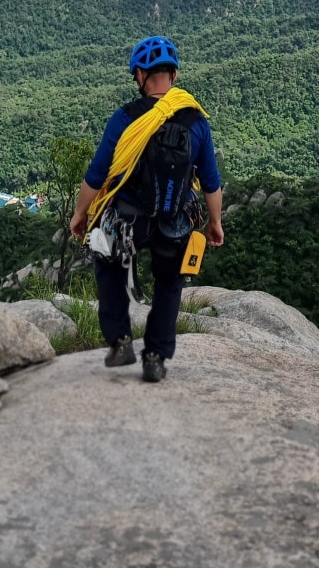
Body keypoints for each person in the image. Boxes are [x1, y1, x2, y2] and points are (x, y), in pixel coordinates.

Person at [70, 35, 224, 381]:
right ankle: (155, 356)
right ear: (174, 75)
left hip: (128, 220)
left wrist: (81, 214)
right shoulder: (195, 121)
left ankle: (120, 339)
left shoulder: (125, 117)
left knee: (106, 261)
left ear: (141, 74)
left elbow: (96, 175)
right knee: (169, 283)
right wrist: (215, 222)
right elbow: (211, 182)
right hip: (176, 220)